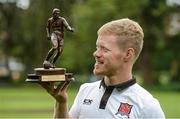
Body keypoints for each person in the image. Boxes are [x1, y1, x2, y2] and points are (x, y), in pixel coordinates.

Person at [40, 18, 165, 118]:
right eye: (97, 47)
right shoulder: (85, 90)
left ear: (128, 54)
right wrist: (61, 103)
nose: (96, 53)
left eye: (104, 49)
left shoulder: (147, 106)